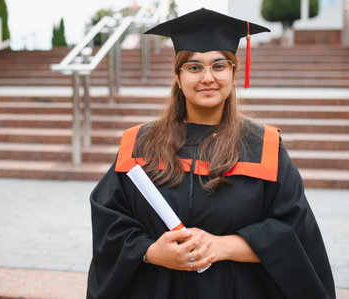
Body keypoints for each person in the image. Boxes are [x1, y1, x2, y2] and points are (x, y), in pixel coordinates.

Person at [87, 7, 335, 299]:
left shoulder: (263, 146)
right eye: (194, 67)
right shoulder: (140, 144)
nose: (208, 77)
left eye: (219, 66)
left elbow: (294, 232)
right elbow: (110, 221)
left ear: (233, 73)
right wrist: (151, 251)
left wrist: (222, 246)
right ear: (178, 77)